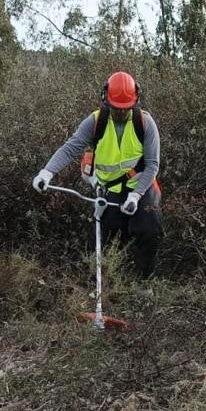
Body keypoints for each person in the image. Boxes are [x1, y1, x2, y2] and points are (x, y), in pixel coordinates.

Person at [32, 71, 163, 278]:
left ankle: (144, 281)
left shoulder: (145, 123)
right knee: (109, 236)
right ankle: (113, 282)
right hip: (110, 189)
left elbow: (153, 165)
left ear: (135, 101)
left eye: (125, 108)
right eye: (116, 108)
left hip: (141, 186)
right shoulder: (95, 121)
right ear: (105, 100)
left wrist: (136, 196)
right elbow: (70, 149)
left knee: (149, 229)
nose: (120, 113)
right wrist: (46, 173)